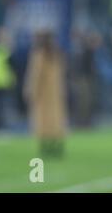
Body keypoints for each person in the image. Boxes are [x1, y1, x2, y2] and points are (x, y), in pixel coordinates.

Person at [24, 30, 67, 158]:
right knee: (56, 119)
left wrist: (30, 90)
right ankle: (56, 145)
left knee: (42, 119)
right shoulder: (56, 53)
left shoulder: (39, 55)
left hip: (43, 93)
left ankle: (46, 146)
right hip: (55, 93)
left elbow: (36, 76)